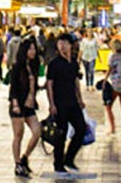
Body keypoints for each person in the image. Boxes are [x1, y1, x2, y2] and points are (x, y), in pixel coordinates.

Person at [43, 33, 87, 175]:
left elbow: (75, 82)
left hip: (72, 102)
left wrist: (80, 99)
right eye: (60, 43)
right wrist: (51, 104)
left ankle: (69, 158)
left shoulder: (73, 62)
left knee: (81, 129)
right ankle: (58, 164)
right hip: (59, 103)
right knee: (61, 133)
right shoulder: (54, 64)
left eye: (65, 43)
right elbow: (49, 85)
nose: (62, 46)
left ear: (70, 45)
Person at [7, 39, 43, 178]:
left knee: (37, 132)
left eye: (34, 49)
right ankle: (17, 164)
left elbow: (33, 85)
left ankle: (24, 157)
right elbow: (13, 87)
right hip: (18, 105)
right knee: (18, 135)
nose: (33, 52)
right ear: (24, 51)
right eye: (30, 49)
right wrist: (15, 103)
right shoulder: (17, 66)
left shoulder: (34, 65)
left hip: (30, 105)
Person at [103, 39, 121, 136]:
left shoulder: (113, 57)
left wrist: (104, 80)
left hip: (115, 85)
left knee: (108, 107)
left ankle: (112, 128)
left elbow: (109, 70)